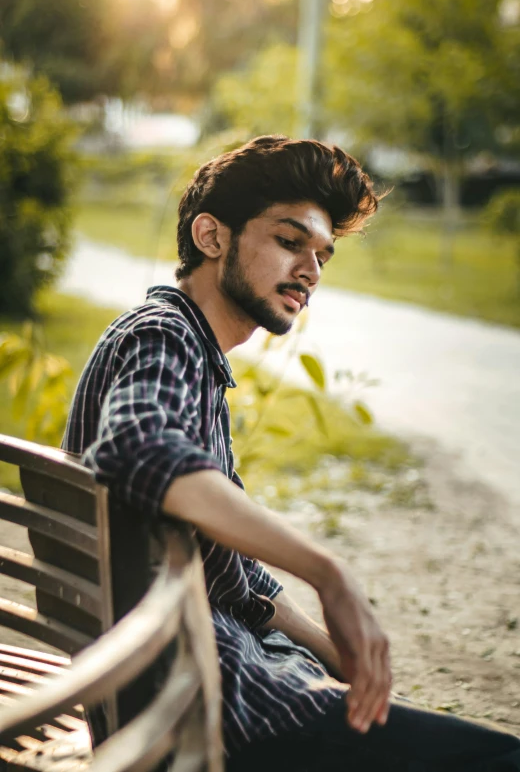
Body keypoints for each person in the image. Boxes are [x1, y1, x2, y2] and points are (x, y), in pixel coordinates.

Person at [62, 135, 520, 771]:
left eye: (323, 256)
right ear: (211, 237)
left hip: (211, 680)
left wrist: (337, 652)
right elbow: (137, 446)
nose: (310, 271)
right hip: (223, 708)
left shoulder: (189, 352)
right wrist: (329, 572)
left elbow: (236, 580)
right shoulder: (162, 336)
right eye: (288, 242)